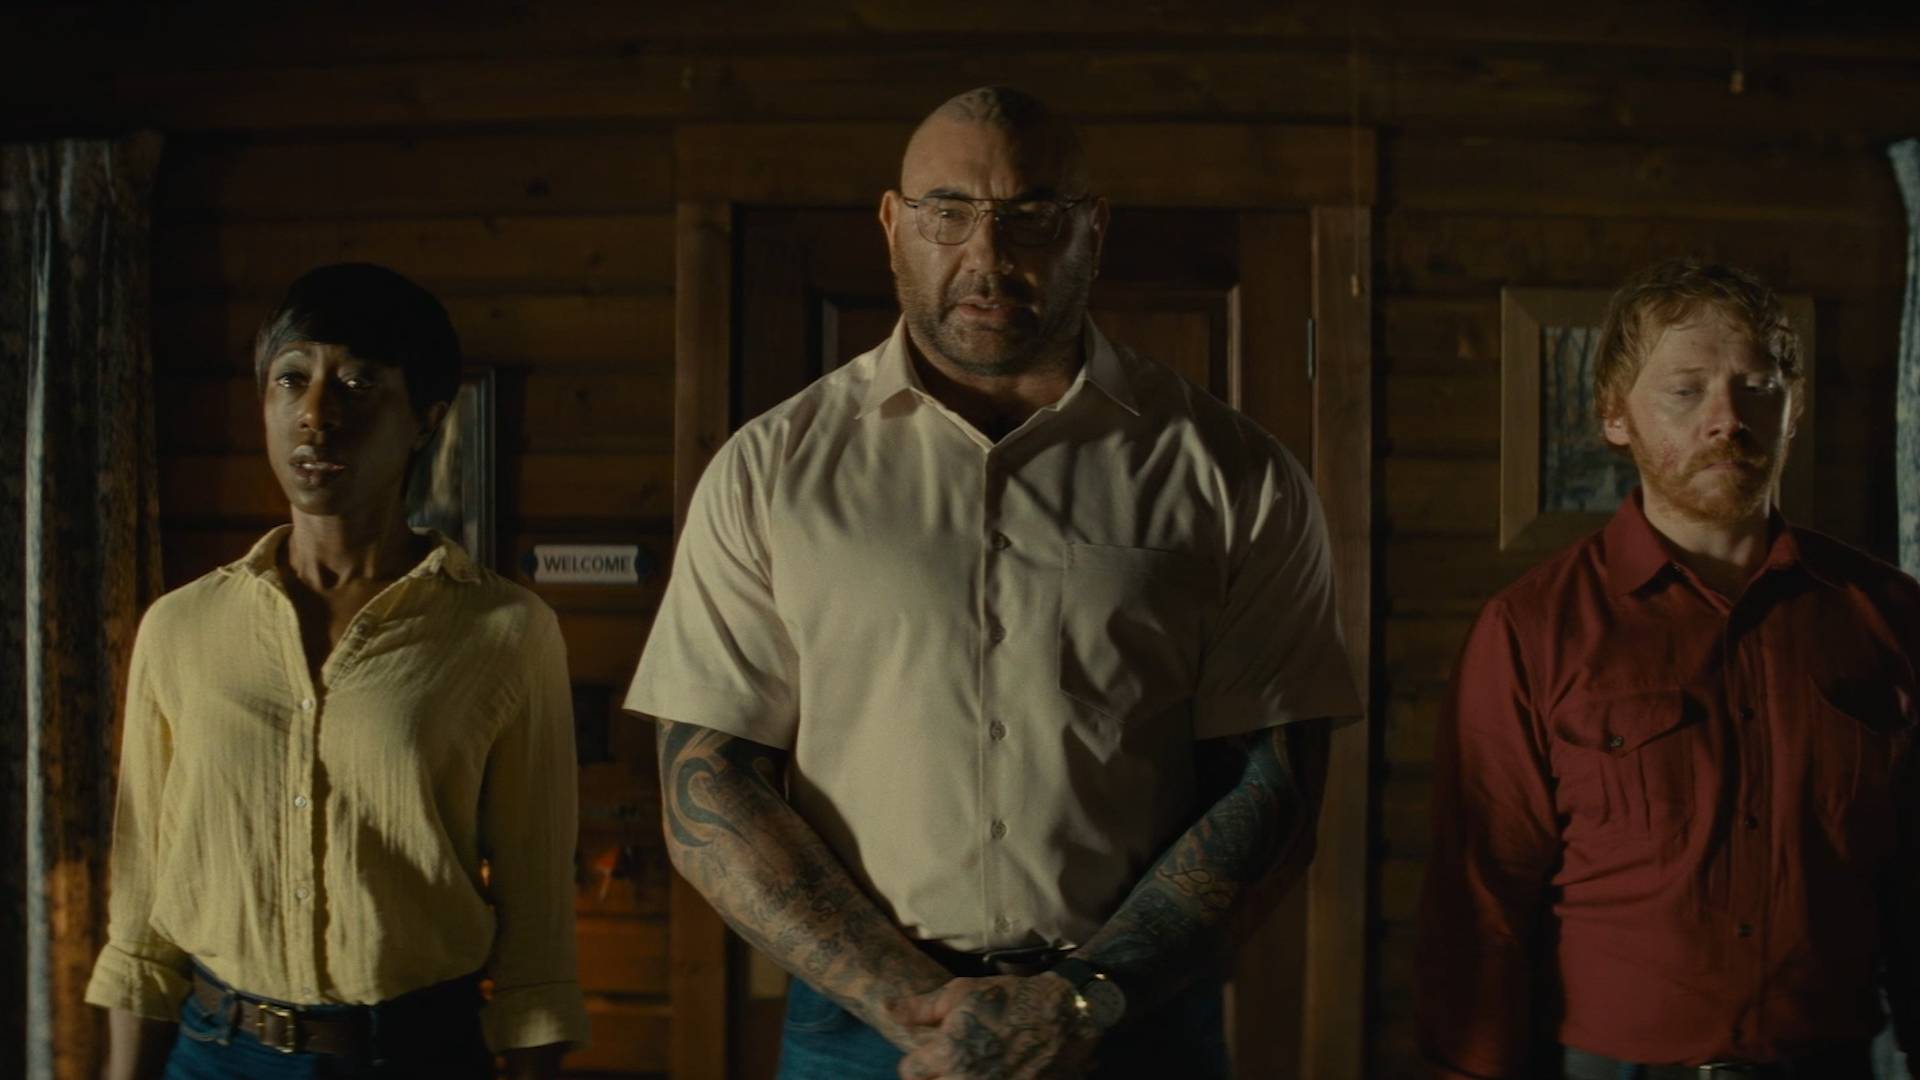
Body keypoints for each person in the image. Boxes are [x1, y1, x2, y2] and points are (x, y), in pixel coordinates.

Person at [627, 85, 1361, 1080]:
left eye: (1031, 215)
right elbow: (709, 787)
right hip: (860, 1031)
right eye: (948, 213)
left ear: (1093, 228)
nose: (987, 255)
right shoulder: (769, 472)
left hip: (1133, 1022)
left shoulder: (1232, 473)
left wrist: (1080, 999)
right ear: (893, 225)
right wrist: (914, 1007)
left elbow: (1272, 789)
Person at [1415, 258, 1920, 1078]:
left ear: (1793, 409)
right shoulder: (1531, 631)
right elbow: (1481, 901)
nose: (1727, 420)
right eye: (1686, 391)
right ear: (1615, 416)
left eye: (1757, 387)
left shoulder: (1890, 615)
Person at [85, 263, 588, 1078]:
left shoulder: (504, 631)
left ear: (425, 420)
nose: (316, 414)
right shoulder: (180, 628)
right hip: (214, 1051)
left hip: (415, 1052)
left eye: (359, 383)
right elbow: (142, 908)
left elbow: (537, 922)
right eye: (292, 379)